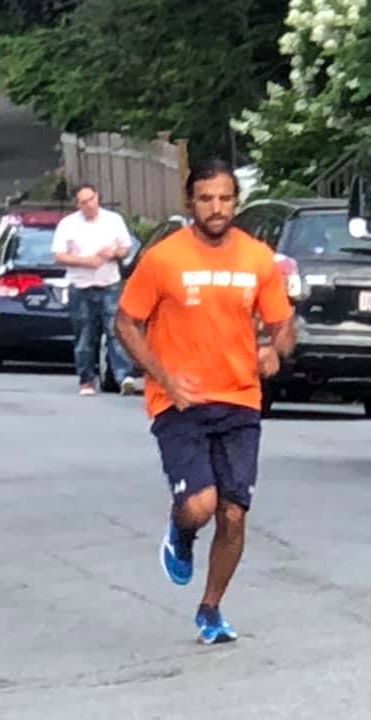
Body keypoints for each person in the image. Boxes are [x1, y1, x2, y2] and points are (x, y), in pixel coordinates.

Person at [115, 159, 295, 644]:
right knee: (200, 504)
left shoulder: (258, 258)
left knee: (234, 513)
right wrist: (164, 377)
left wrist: (273, 350)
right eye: (206, 199)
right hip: (180, 402)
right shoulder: (164, 259)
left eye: (225, 198)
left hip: (240, 400)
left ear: (236, 202)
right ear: (190, 203)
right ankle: (182, 533)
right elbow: (126, 322)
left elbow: (282, 326)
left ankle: (211, 608)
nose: (216, 208)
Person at [52, 183, 136, 396]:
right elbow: (59, 255)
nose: (89, 205)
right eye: (83, 202)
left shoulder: (113, 220)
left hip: (109, 283)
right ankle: (86, 380)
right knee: (85, 336)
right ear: (77, 204)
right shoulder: (68, 224)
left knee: (115, 332)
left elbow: (126, 248)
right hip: (81, 286)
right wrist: (84, 261)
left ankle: (123, 376)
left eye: (91, 199)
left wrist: (114, 253)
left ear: (97, 197)